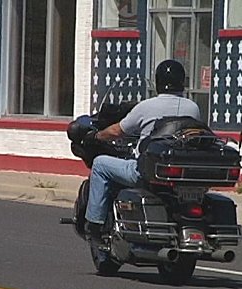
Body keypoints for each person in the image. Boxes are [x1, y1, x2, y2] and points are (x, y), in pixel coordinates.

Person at [85, 59, 201, 239]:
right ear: (182, 81)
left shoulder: (147, 106)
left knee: (100, 164)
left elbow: (118, 131)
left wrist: (96, 136)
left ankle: (94, 224)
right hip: (178, 172)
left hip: (146, 172)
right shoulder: (193, 107)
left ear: (158, 82)